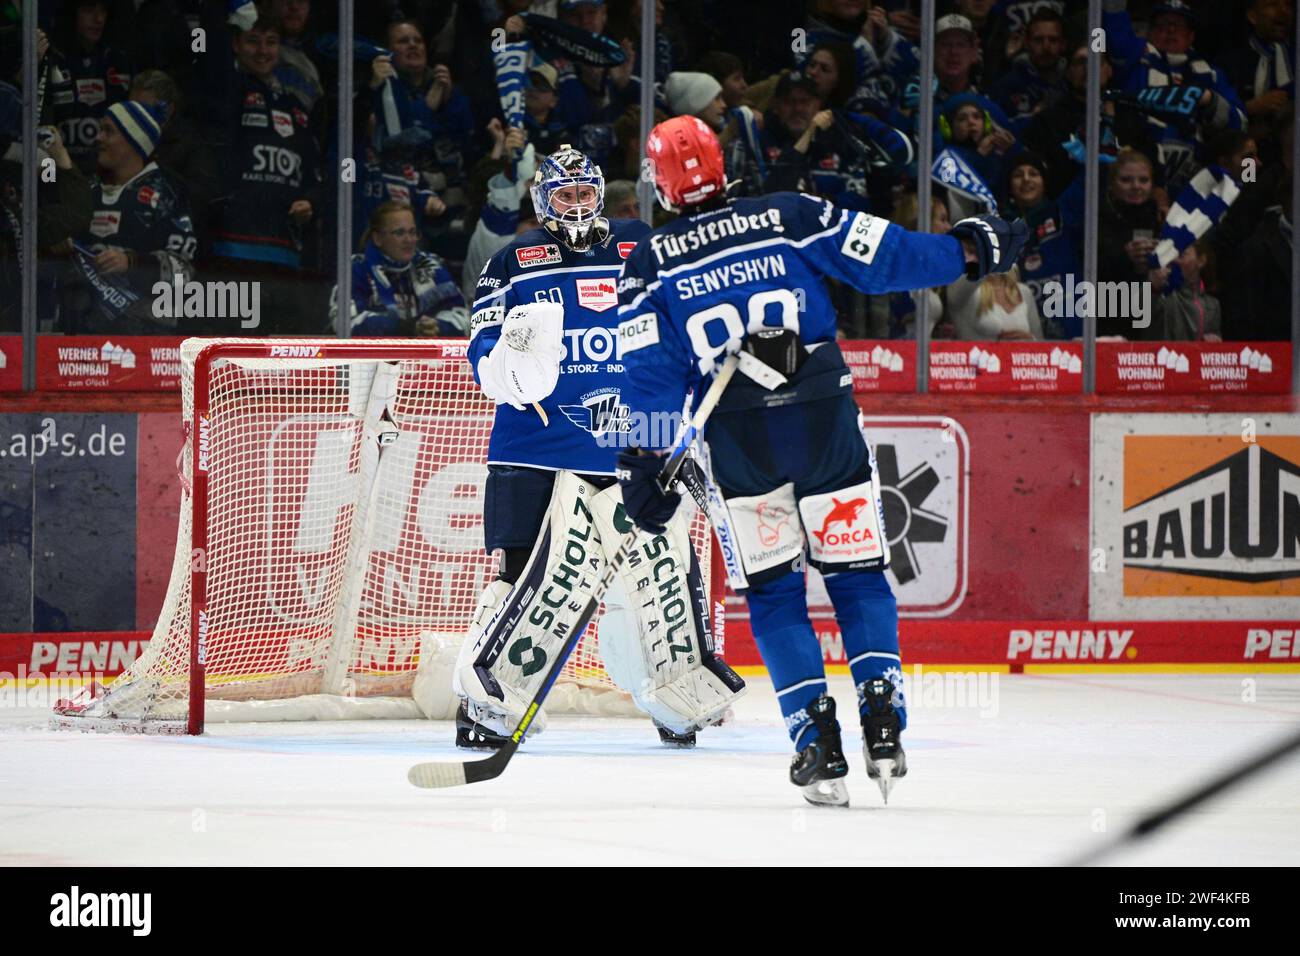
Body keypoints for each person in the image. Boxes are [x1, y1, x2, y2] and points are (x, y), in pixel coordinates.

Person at [613, 116, 1027, 806]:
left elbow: (650, 380)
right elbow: (889, 258)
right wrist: (967, 251)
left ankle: (815, 743)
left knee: (777, 596)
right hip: (823, 418)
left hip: (742, 438)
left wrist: (643, 460)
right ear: (724, 165)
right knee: (858, 576)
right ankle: (883, 721)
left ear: (659, 185)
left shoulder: (650, 262)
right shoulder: (789, 213)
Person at [451, 144, 745, 752]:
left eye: (588, 195)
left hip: (636, 447)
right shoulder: (510, 263)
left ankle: (678, 697)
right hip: (535, 447)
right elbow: (480, 353)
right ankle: (487, 705)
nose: (580, 207)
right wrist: (507, 368)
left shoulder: (642, 244)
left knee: (664, 572)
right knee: (519, 577)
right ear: (543, 200)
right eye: (566, 196)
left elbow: (683, 317)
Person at [60, 99, 196, 334]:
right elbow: (49, 185)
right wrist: (53, 160)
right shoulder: (87, 189)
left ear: (134, 140)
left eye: (108, 131)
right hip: (83, 331)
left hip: (145, 334)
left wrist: (131, 262)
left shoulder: (166, 193)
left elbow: (184, 270)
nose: (98, 138)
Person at [331, 202, 467, 337]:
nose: (409, 240)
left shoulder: (432, 266)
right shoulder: (357, 268)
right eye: (399, 233)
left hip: (427, 355)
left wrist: (438, 327)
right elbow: (344, 321)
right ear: (378, 238)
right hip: (374, 356)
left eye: (413, 232)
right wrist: (404, 328)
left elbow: (464, 316)